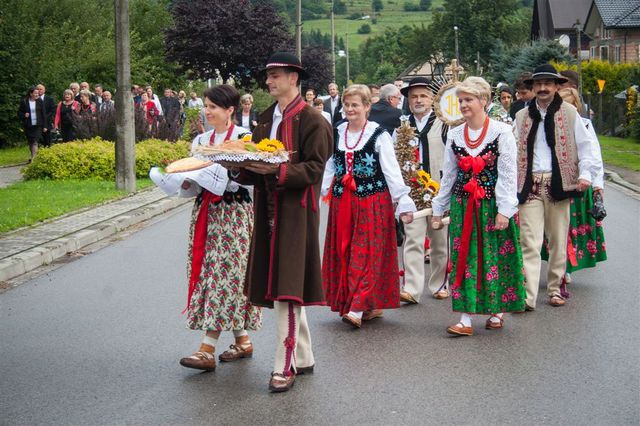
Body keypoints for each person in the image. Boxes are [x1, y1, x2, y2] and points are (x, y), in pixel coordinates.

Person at [235, 51, 332, 392]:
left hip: (296, 213)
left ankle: (284, 365)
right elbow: (255, 169)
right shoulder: (263, 118)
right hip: (267, 212)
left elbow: (316, 169)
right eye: (268, 75)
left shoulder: (314, 121)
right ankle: (303, 356)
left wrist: (277, 171)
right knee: (281, 285)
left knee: (287, 290)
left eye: (275, 75)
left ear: (294, 78)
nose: (268, 81)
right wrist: (236, 165)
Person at [431, 76, 526, 336]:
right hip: (463, 205)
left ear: (483, 100)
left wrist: (505, 210)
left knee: (494, 256)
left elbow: (508, 174)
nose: (463, 105)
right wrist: (439, 208)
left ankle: (496, 310)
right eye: (460, 100)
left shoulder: (501, 132)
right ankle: (465, 317)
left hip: (492, 204)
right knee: (465, 258)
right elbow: (448, 174)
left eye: (468, 100)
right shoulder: (454, 134)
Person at [178, 84, 262, 373]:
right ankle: (243, 340)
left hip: (235, 213)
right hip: (207, 213)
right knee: (210, 273)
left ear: (230, 110)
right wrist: (184, 182)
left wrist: (224, 178)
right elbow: (192, 186)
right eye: (206, 105)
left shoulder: (244, 139)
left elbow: (251, 179)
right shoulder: (200, 141)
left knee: (229, 276)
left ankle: (206, 348)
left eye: (213, 106)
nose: (207, 111)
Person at [322, 84, 416, 328]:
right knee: (345, 251)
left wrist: (402, 200)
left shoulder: (378, 134)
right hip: (343, 202)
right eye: (347, 105)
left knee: (365, 253)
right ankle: (367, 304)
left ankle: (356, 306)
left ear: (367, 107)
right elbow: (331, 165)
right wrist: (322, 189)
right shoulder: (338, 132)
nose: (350, 109)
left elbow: (391, 170)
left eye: (355, 105)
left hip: (371, 201)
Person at [514, 64, 599, 310]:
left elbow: (586, 148)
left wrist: (585, 175)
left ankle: (554, 288)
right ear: (532, 87)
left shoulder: (570, 113)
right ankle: (528, 296)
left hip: (558, 183)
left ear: (556, 86)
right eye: (538, 84)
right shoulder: (521, 116)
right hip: (530, 184)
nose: (542, 88)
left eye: (547, 84)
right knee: (529, 241)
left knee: (558, 240)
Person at [541, 87, 606, 292]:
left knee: (571, 228)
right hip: (556, 184)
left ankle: (567, 267)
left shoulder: (584, 124)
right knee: (558, 229)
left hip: (579, 185)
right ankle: (560, 266)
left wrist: (597, 185)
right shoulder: (550, 123)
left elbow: (594, 156)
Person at [393, 77, 450, 304]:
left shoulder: (444, 124)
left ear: (432, 99)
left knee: (439, 242)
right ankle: (412, 289)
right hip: (412, 193)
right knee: (413, 241)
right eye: (414, 96)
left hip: (438, 191)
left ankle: (439, 284)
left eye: (423, 96)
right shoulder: (402, 128)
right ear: (407, 99)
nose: (418, 100)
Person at [17, 86, 45, 162]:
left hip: (38, 125)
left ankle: (33, 159)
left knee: (35, 141)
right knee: (30, 142)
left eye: (38, 93)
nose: (37, 94)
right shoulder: (24, 101)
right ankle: (33, 155)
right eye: (35, 93)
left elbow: (43, 114)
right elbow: (19, 113)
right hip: (28, 126)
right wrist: (24, 115)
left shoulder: (40, 101)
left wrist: (45, 126)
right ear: (31, 93)